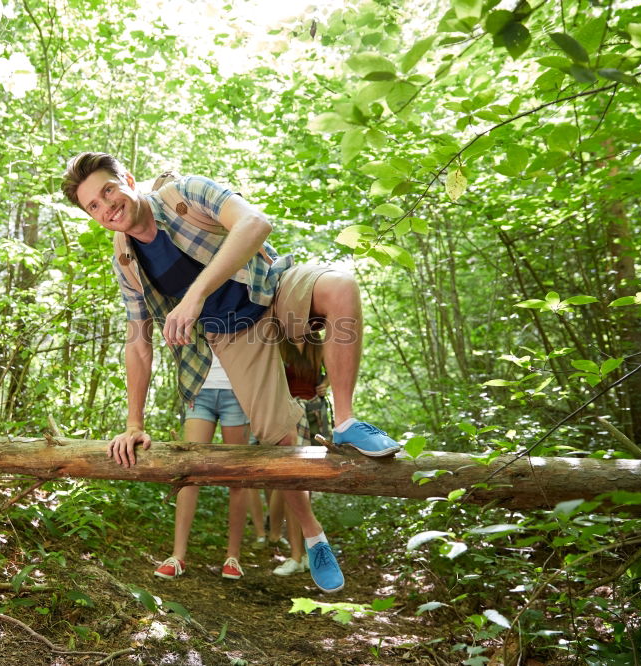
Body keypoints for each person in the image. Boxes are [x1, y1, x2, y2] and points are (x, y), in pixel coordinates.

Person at [61, 152, 401, 593]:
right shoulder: (126, 261)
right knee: (279, 437)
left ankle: (347, 422)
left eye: (108, 190)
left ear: (127, 179)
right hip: (235, 334)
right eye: (93, 205)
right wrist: (133, 424)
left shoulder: (183, 193)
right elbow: (138, 343)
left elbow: (256, 223)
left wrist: (195, 295)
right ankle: (315, 537)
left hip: (271, 287)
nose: (106, 206)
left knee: (340, 286)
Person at [154, 355, 251, 580]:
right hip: (200, 390)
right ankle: (177, 556)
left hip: (237, 391)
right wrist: (187, 385)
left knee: (237, 476)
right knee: (189, 473)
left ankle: (233, 557)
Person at [271, 333, 331, 576]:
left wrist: (327, 383)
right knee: (292, 484)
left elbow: (336, 368)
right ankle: (295, 555)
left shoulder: (319, 344)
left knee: (309, 486)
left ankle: (306, 554)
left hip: (315, 417)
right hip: (288, 418)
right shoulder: (278, 343)